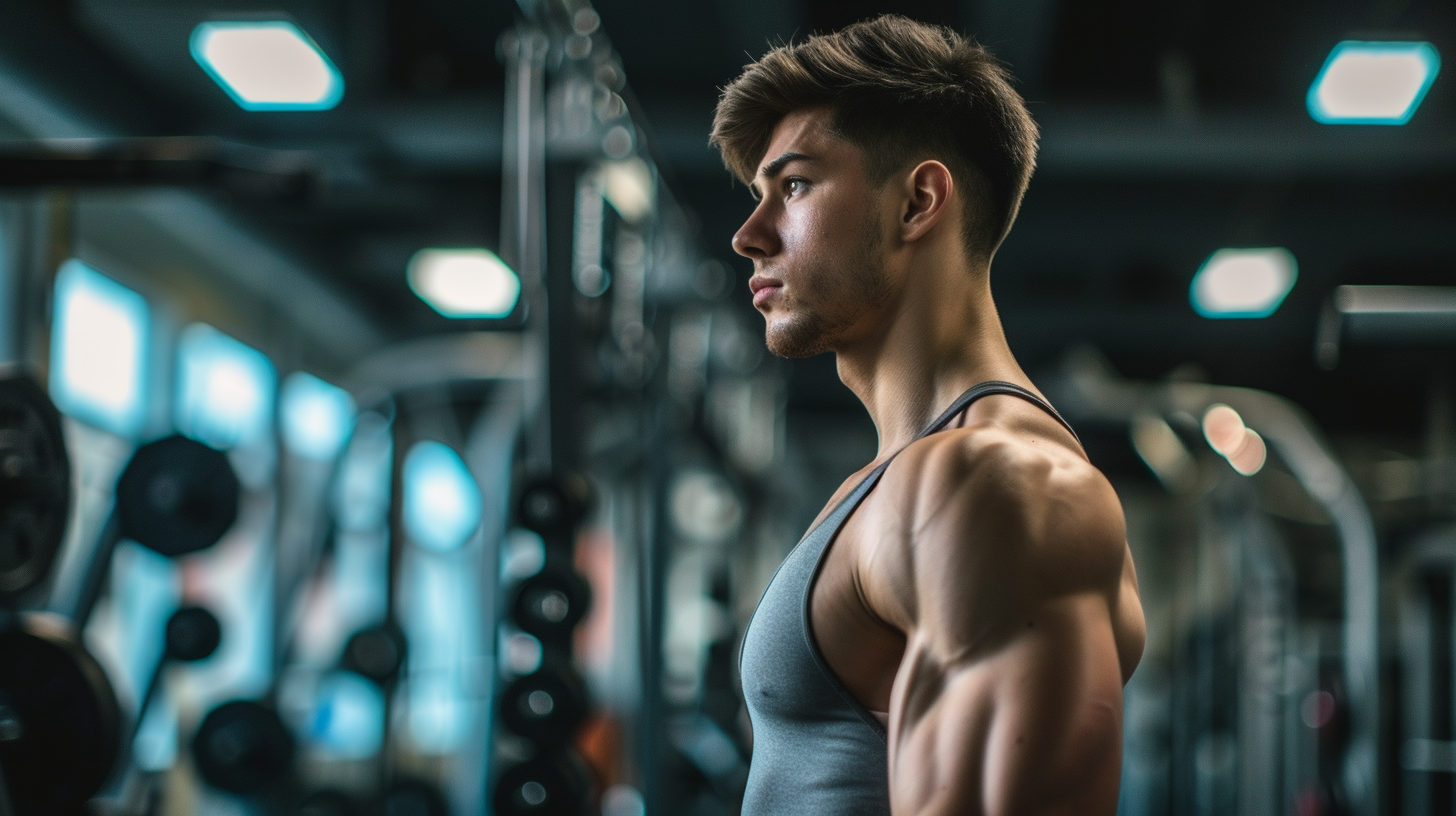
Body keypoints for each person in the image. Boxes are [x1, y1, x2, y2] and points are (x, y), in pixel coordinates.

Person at [710, 15, 1146, 816]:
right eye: (757, 196)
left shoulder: (996, 483)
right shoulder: (894, 486)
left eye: (796, 185)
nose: (749, 235)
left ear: (917, 201)